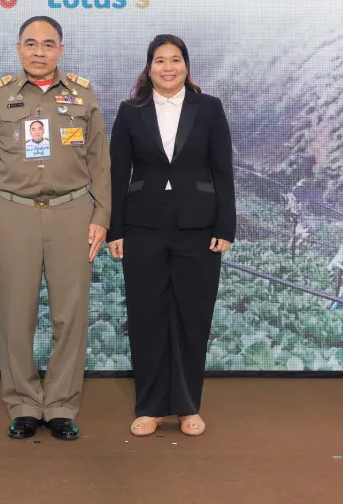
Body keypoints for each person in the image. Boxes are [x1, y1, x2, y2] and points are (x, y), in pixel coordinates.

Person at [0, 16, 111, 440]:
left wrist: (101, 216)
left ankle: (62, 404)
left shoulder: (83, 96)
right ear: (18, 49)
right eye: (30, 43)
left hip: (73, 215)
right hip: (14, 216)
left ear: (61, 51)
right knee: (17, 314)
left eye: (48, 44)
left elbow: (101, 163)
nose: (38, 51)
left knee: (71, 315)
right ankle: (24, 403)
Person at [106, 34, 236, 438]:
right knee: (146, 317)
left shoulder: (209, 108)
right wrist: (115, 229)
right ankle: (149, 406)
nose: (167, 67)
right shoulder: (130, 112)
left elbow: (223, 170)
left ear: (186, 66)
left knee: (192, 317)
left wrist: (225, 226)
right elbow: (116, 174)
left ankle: (187, 406)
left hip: (198, 225)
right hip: (143, 225)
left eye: (175, 60)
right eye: (159, 60)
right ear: (148, 68)